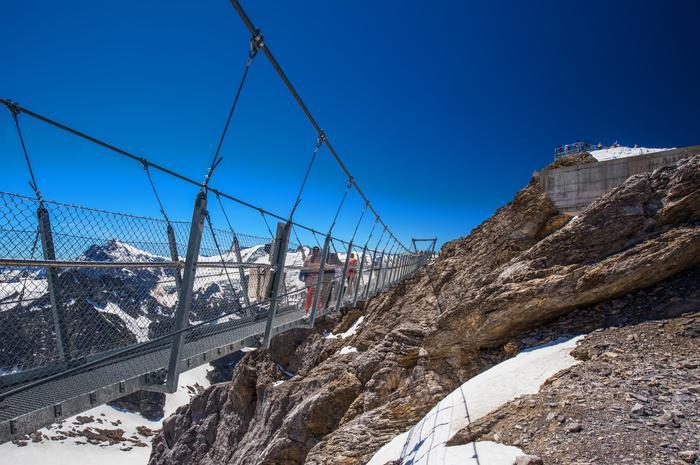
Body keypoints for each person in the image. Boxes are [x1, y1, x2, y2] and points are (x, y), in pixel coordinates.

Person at [302, 246, 321, 315]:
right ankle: (318, 308)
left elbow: (304, 267)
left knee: (309, 295)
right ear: (318, 251)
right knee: (316, 294)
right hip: (315, 278)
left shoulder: (308, 258)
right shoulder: (319, 259)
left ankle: (307, 310)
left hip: (308, 278)